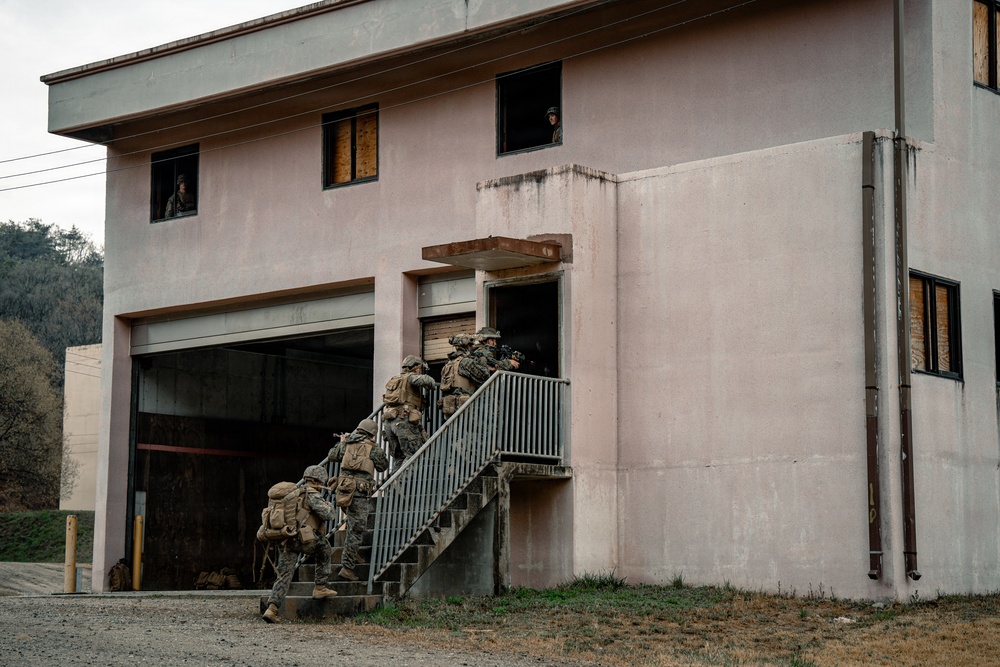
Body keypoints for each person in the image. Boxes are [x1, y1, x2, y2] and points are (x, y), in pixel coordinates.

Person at [262, 465, 338, 624]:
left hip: (287, 538)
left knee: (284, 575)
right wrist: (330, 506)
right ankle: (320, 587)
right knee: (324, 549)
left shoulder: (294, 494)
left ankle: (272, 609)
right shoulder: (312, 494)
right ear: (318, 481)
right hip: (304, 540)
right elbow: (328, 515)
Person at [327, 418, 389, 582]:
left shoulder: (346, 444)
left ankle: (353, 555)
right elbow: (383, 466)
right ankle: (347, 568)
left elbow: (332, 455)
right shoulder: (374, 449)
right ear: (372, 434)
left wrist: (345, 441)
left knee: (353, 526)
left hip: (343, 493)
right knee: (356, 530)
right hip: (360, 495)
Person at [381, 355, 436, 464]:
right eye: (419, 367)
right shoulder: (411, 377)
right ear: (415, 367)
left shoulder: (395, 379)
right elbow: (430, 382)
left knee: (400, 459)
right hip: (404, 422)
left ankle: (395, 481)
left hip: (390, 423)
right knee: (414, 456)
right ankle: (402, 481)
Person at [438, 334, 478, 418]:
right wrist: (480, 360)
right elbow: (485, 375)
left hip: (450, 405)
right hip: (464, 405)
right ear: (467, 346)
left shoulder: (448, 364)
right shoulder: (466, 362)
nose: (472, 348)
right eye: (471, 345)